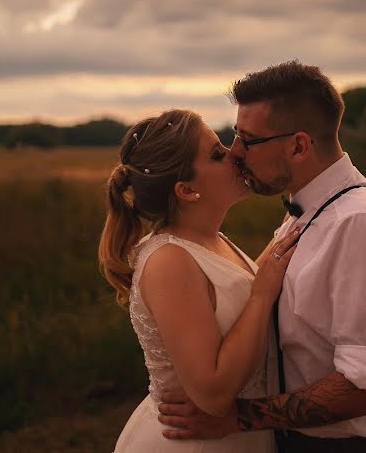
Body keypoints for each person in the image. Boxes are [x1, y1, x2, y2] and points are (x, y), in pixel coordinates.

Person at [157, 61, 366, 452]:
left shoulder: (361, 223)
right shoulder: (305, 210)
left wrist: (238, 418)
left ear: (299, 145)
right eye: (234, 136)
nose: (235, 153)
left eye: (248, 140)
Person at [99, 108, 302, 452]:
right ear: (187, 189)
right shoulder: (170, 260)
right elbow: (212, 393)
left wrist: (304, 209)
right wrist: (261, 296)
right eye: (216, 154)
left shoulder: (211, 239)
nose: (235, 152)